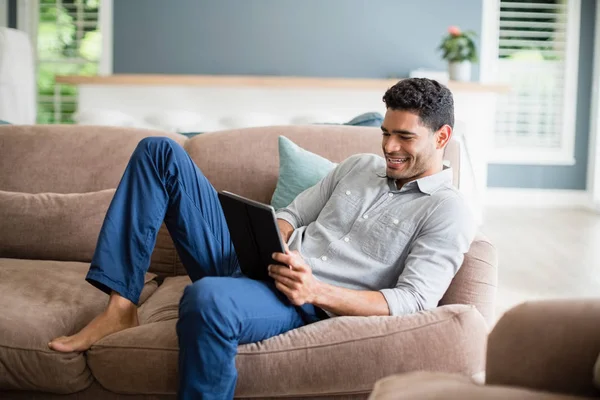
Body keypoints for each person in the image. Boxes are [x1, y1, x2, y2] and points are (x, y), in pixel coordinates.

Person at [48, 78, 475, 399]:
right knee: (158, 151)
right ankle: (120, 307)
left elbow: (414, 301)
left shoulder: (448, 211)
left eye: (405, 137)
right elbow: (292, 213)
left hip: (301, 300)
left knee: (208, 298)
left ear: (442, 137)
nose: (389, 146)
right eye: (385, 132)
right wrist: (273, 236)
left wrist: (315, 288)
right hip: (259, 259)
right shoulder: (357, 166)